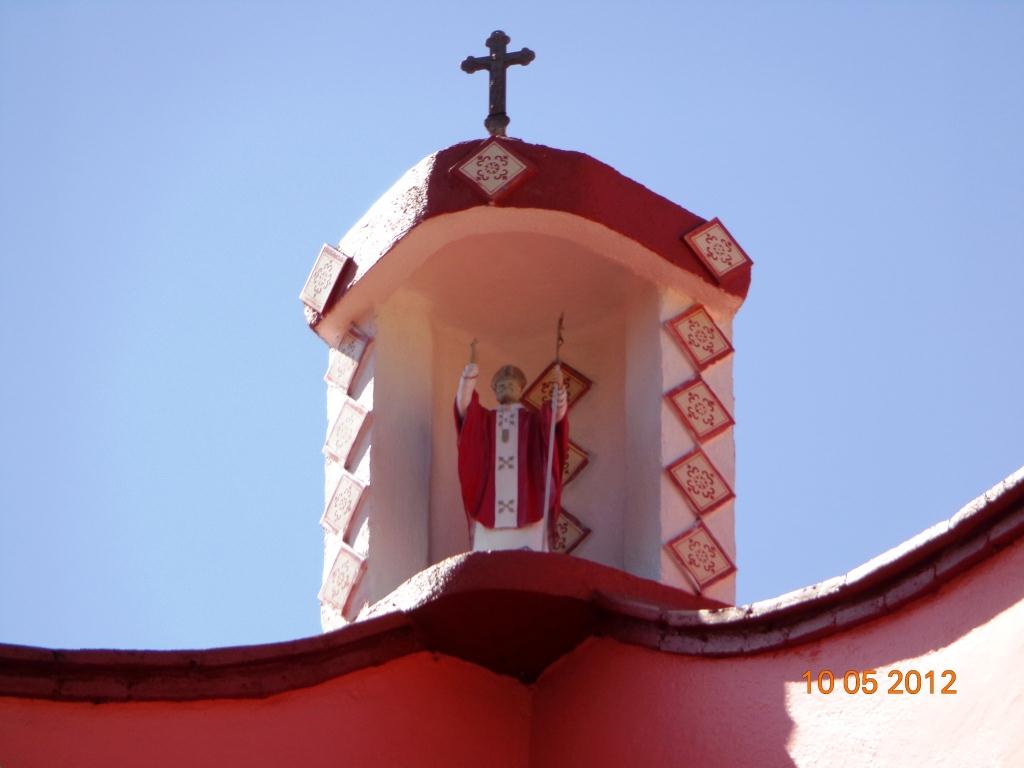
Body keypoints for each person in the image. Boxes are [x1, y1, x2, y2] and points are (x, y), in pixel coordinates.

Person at [454, 341, 569, 552]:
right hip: (490, 503)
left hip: (528, 502)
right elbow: (464, 409)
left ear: (520, 389)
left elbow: (555, 419)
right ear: (495, 392)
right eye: (501, 386)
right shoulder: (485, 420)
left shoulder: (533, 421)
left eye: (511, 385)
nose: (506, 388)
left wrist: (560, 390)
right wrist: (469, 376)